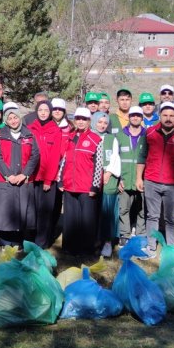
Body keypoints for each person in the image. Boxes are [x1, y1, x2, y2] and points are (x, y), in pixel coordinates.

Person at [136, 102, 174, 250]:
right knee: (152, 216)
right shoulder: (149, 133)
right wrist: (139, 177)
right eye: (165, 115)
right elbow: (142, 156)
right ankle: (151, 245)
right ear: (160, 116)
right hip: (151, 181)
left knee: (171, 219)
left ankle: (171, 248)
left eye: (172, 116)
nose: (168, 118)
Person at [0, 102, 40, 247]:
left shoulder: (28, 134)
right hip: (4, 180)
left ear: (19, 118)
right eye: (10, 119)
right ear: (6, 120)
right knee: (4, 211)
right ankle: (5, 240)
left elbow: (35, 155)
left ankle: (18, 241)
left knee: (21, 210)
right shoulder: (0, 134)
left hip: (23, 179)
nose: (13, 121)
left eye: (15, 118)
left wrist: (24, 174)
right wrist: (8, 175)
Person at [58, 108, 105, 256]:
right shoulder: (70, 138)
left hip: (86, 187)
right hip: (69, 185)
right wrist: (60, 180)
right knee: (71, 219)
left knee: (87, 221)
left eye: (84, 119)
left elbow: (99, 165)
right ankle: (70, 248)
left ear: (89, 121)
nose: (80, 121)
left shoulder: (95, 139)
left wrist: (95, 186)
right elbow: (64, 160)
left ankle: (87, 249)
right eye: (78, 118)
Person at [103, 106, 147, 253]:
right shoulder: (120, 136)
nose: (135, 118)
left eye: (138, 116)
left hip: (142, 180)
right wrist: (119, 178)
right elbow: (116, 158)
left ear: (141, 118)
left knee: (142, 209)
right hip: (124, 179)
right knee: (123, 208)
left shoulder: (148, 135)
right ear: (129, 117)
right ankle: (125, 234)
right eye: (132, 115)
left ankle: (140, 234)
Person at [26, 99, 65, 249]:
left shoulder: (55, 130)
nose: (43, 113)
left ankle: (41, 243)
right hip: (31, 177)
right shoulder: (29, 128)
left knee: (45, 212)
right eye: (40, 110)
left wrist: (49, 179)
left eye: (46, 111)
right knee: (32, 211)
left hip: (47, 179)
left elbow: (55, 156)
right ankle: (29, 240)